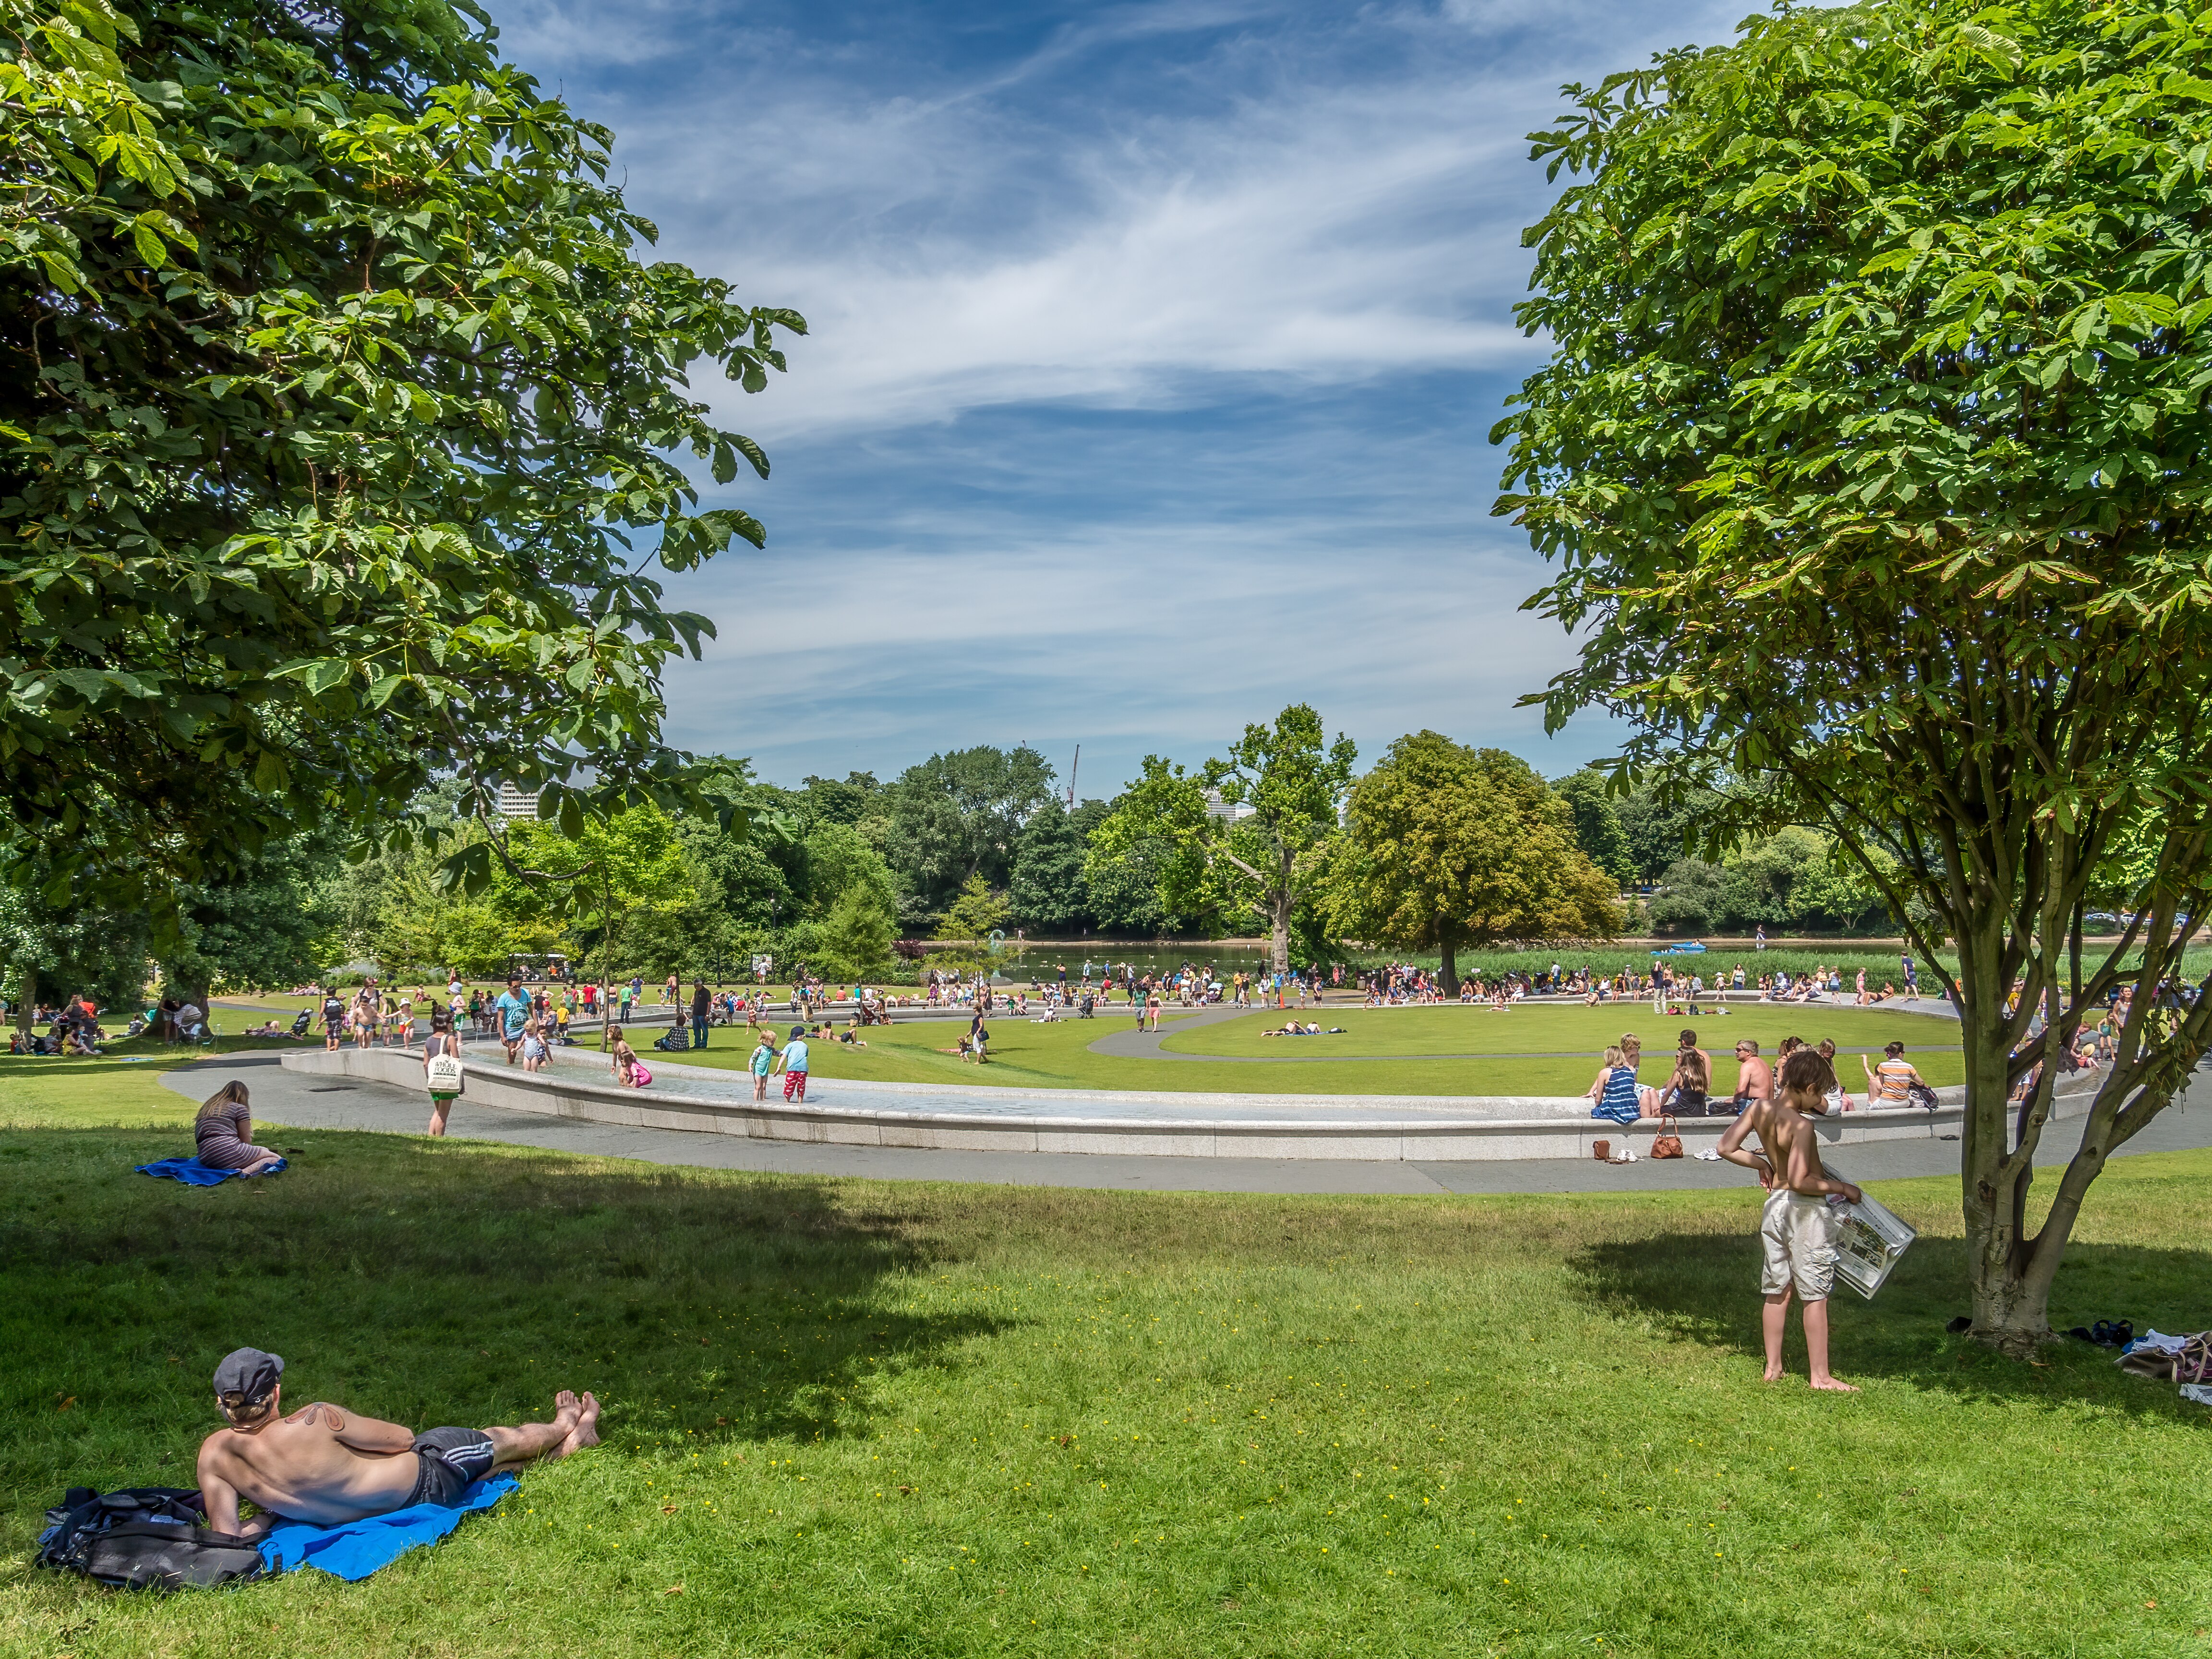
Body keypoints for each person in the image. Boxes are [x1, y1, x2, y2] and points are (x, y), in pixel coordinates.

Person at [195, 1347, 598, 1536]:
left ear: (222, 1403)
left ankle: (575, 1443)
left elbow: (227, 1537)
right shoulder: (315, 1420)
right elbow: (403, 1440)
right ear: (277, 1393)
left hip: (372, 1511)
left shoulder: (213, 1455)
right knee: (495, 1442)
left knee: (494, 1471)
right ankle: (564, 1425)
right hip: (428, 1477)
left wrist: (268, 1516)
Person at [1715, 1049, 1864, 1391]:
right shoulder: (1802, 1126)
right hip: (1804, 1211)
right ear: (1809, 1086)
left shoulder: (1760, 1109)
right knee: (1815, 1292)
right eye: (1819, 1094)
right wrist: (1844, 1188)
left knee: (1777, 1288)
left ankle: (1773, 1368)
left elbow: (1726, 1147)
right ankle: (1821, 1377)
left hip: (1775, 1206)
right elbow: (1802, 1180)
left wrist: (1762, 1164)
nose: (1820, 1101)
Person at [193, 1081, 283, 1177]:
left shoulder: (207, 1109)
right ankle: (244, 1172)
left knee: (264, 1150)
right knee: (276, 1159)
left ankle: (240, 1167)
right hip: (227, 1150)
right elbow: (246, 1141)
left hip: (206, 1157)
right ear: (243, 1096)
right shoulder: (239, 1108)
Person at [422, 1007, 463, 1137]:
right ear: (446, 1024)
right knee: (443, 1115)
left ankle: (430, 1136)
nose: (453, 1024)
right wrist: (461, 1084)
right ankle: (440, 1139)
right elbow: (456, 1062)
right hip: (447, 1080)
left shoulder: (428, 1040)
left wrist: (430, 1078)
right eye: (452, 1021)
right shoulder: (450, 1039)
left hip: (434, 1080)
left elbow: (425, 1063)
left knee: (437, 1111)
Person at [1586, 1045, 1642, 1126]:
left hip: (1615, 1109)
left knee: (1595, 1113)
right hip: (1632, 1110)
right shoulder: (1629, 1072)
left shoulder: (1605, 1072)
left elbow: (1598, 1100)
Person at [1661, 1031, 1712, 1117]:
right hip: (1702, 1093)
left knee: (1655, 1094)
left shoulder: (1683, 1056)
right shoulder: (1705, 1055)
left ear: (1683, 1042)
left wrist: (1662, 1087)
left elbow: (1672, 1084)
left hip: (1688, 1097)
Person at [1862, 1039, 1925, 1106]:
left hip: (1886, 1103)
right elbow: (1921, 1082)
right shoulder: (1909, 1067)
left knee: (1871, 1110)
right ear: (1901, 1054)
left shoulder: (1882, 1066)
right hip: (1904, 1103)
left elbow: (1883, 1083)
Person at [493, 976, 531, 1066]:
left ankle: (531, 1071)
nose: (518, 988)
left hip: (526, 1028)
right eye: (515, 987)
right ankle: (510, 1069)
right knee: (512, 1053)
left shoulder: (525, 993)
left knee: (531, 1051)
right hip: (512, 1029)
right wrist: (503, 1036)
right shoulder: (504, 998)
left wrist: (537, 1026)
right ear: (509, 985)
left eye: (520, 986)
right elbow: (500, 1018)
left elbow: (532, 1009)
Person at [1729, 1038, 1772, 1116]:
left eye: (1738, 1050)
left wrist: (1734, 1101)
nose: (1736, 1052)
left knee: (1716, 1108)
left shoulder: (1747, 1065)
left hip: (1755, 1104)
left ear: (1748, 1053)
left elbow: (1741, 1089)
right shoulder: (1765, 1064)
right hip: (1769, 1105)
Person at [781, 1024, 810, 1099]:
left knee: (789, 1087)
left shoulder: (790, 1045)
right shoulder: (805, 1046)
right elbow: (805, 1055)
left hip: (792, 1069)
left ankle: (787, 1103)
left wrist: (779, 1067)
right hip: (803, 1069)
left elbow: (784, 1056)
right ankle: (800, 1103)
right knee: (801, 1087)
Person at [749, 1030, 777, 1103]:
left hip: (765, 1071)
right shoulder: (760, 1050)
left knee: (764, 1086)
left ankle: (763, 1100)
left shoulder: (771, 1050)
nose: (773, 1043)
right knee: (758, 1086)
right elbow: (753, 1058)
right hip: (758, 1071)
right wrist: (750, 1066)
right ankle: (755, 1101)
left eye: (774, 1041)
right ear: (764, 1040)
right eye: (771, 1041)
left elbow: (779, 1053)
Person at [690, 979, 710, 1051]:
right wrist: (693, 1012)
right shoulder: (696, 992)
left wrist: (707, 1014)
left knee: (704, 1030)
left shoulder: (706, 992)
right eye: (695, 986)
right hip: (696, 1014)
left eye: (698, 986)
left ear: (701, 985)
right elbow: (696, 1003)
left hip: (703, 1014)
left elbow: (709, 1003)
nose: (696, 988)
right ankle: (697, 1044)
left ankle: (704, 1044)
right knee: (696, 1030)